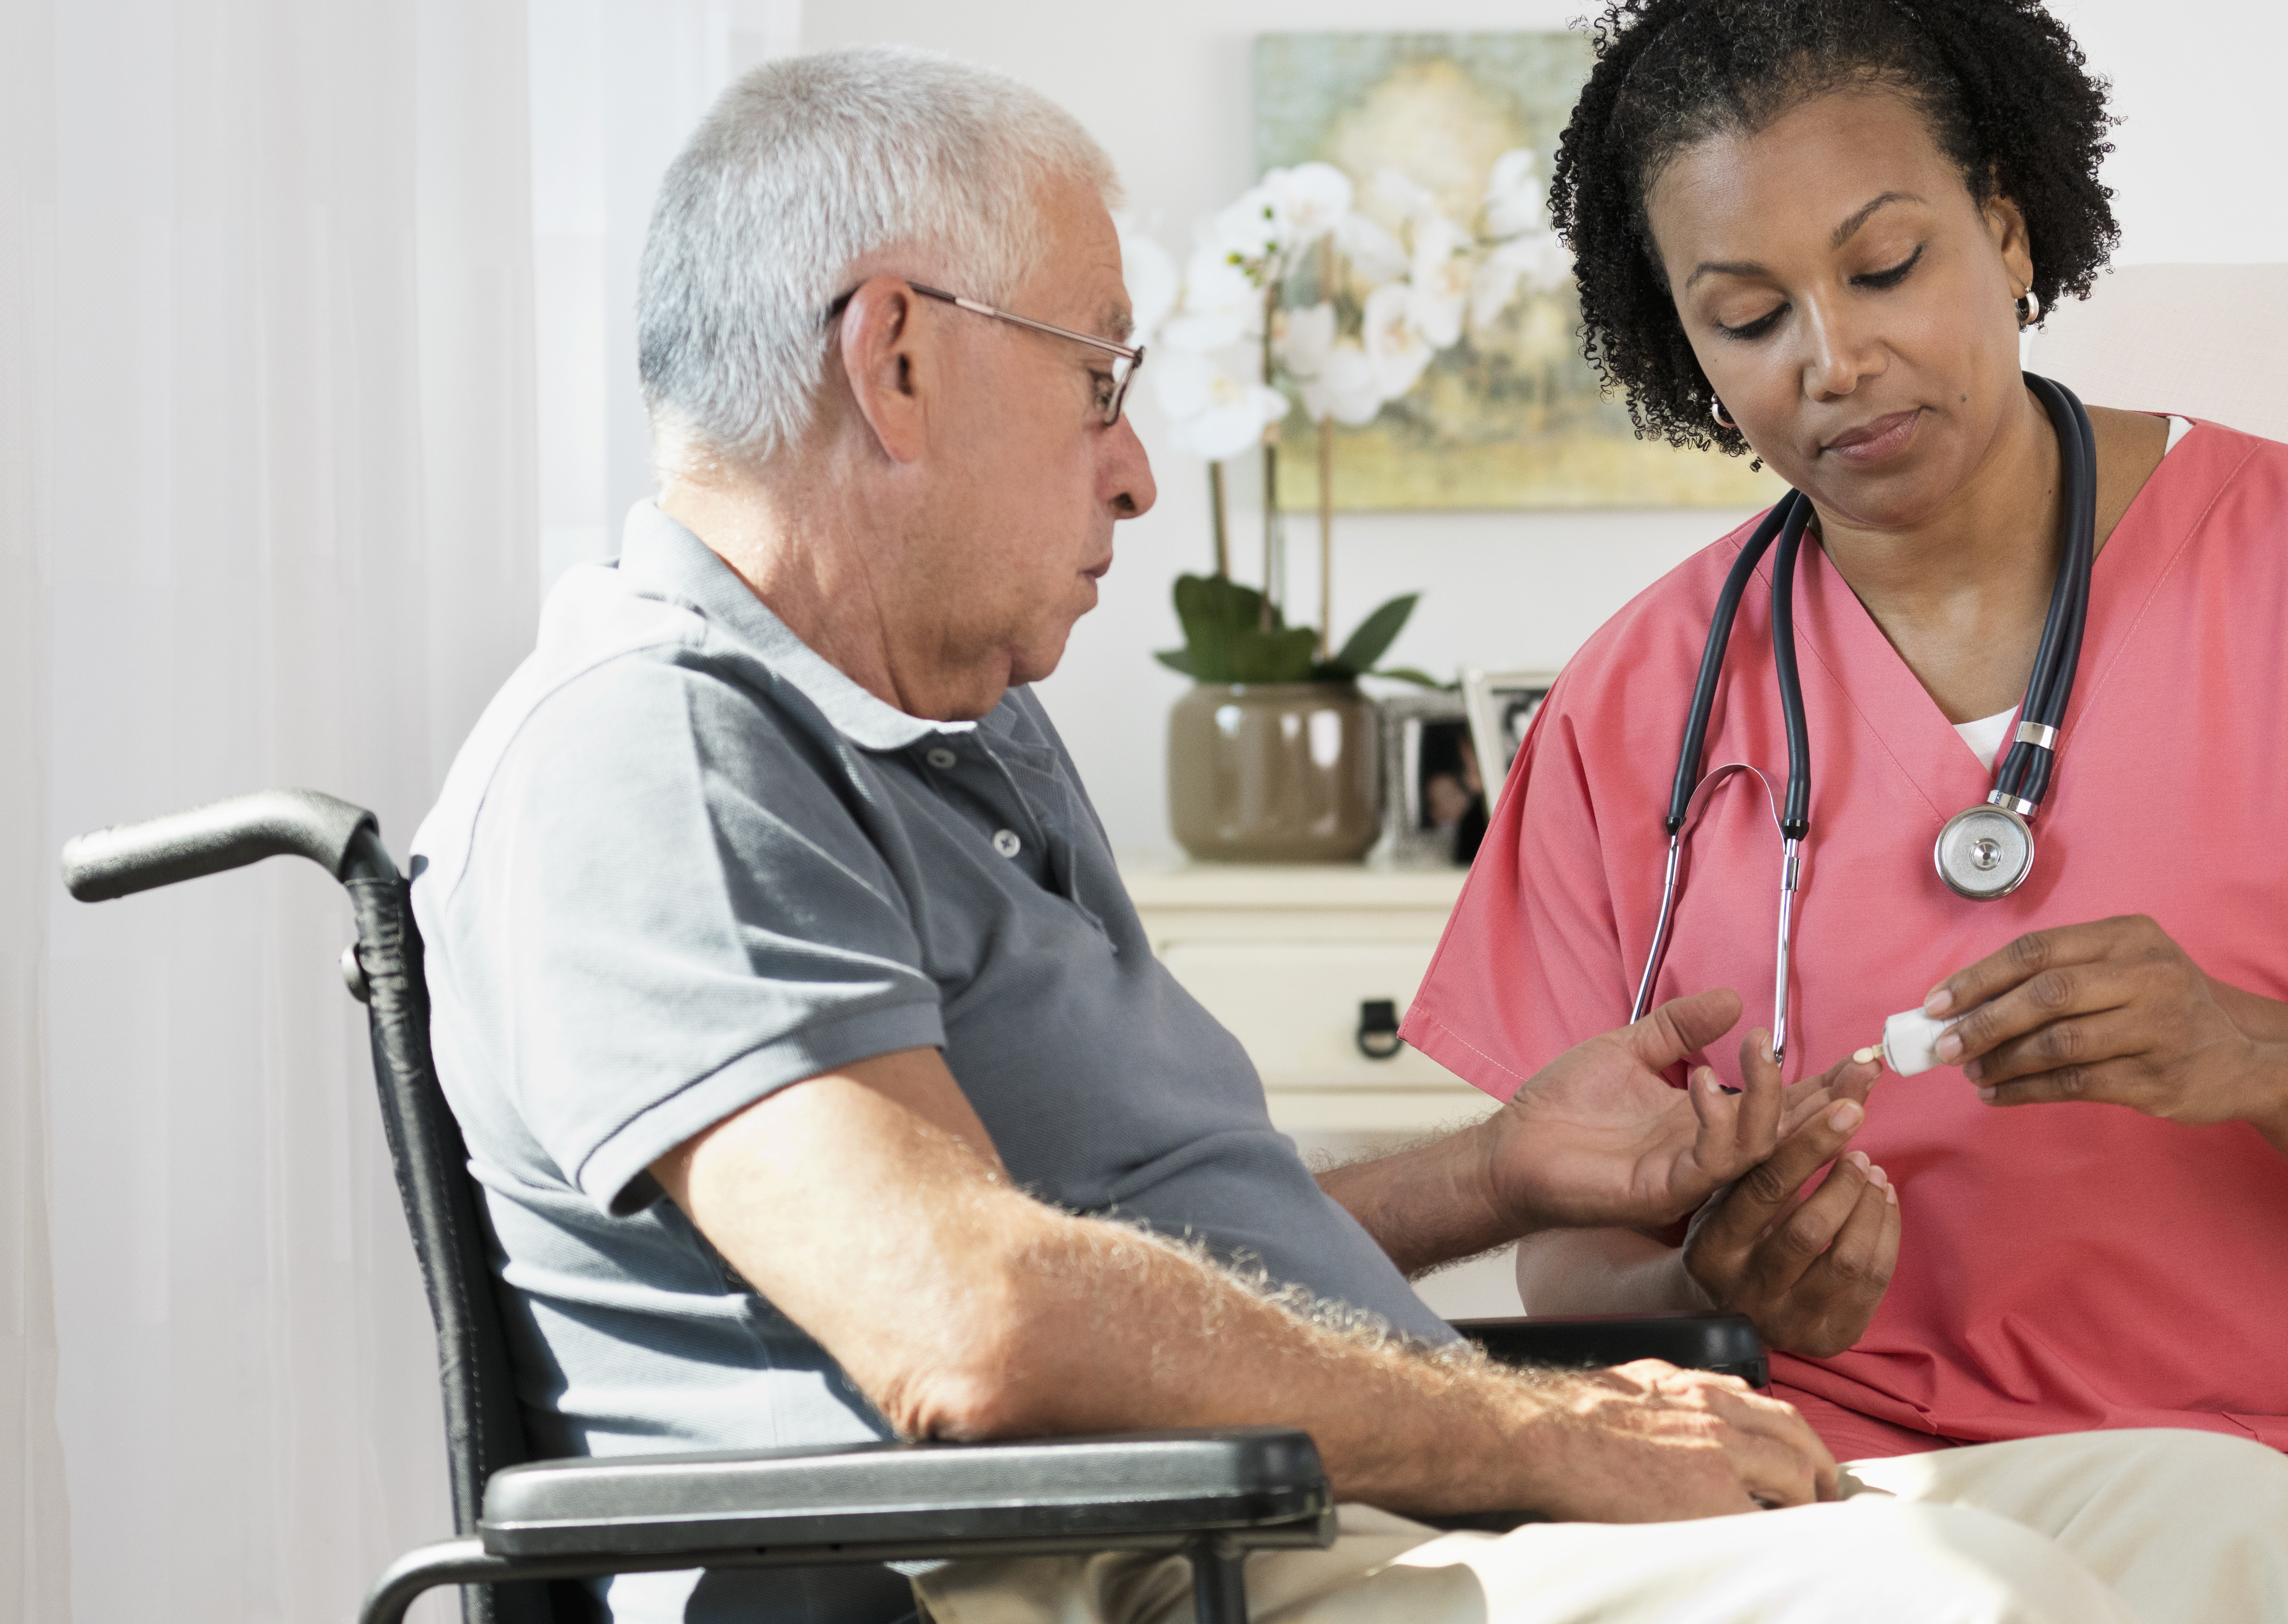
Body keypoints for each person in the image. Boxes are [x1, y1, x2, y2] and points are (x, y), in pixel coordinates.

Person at [410, 43, 2288, 1624]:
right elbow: (966, 1323)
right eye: (1099, 379)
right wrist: (1538, 1435)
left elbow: (1116, 1236)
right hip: (1135, 1560)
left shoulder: (940, 739)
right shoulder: (655, 755)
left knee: (2230, 1532)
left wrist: (1498, 1178)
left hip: (1306, 1501)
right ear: (895, 357)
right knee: (1982, 1608)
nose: (1140, 463)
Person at [1404, 0, 2288, 1468]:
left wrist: (2255, 1054)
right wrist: (1708, 1287)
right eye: (1747, 318)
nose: (1833, 357)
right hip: (1831, 1497)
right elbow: (1571, 1265)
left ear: (2005, 234)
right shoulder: (1632, 704)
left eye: (1885, 267)